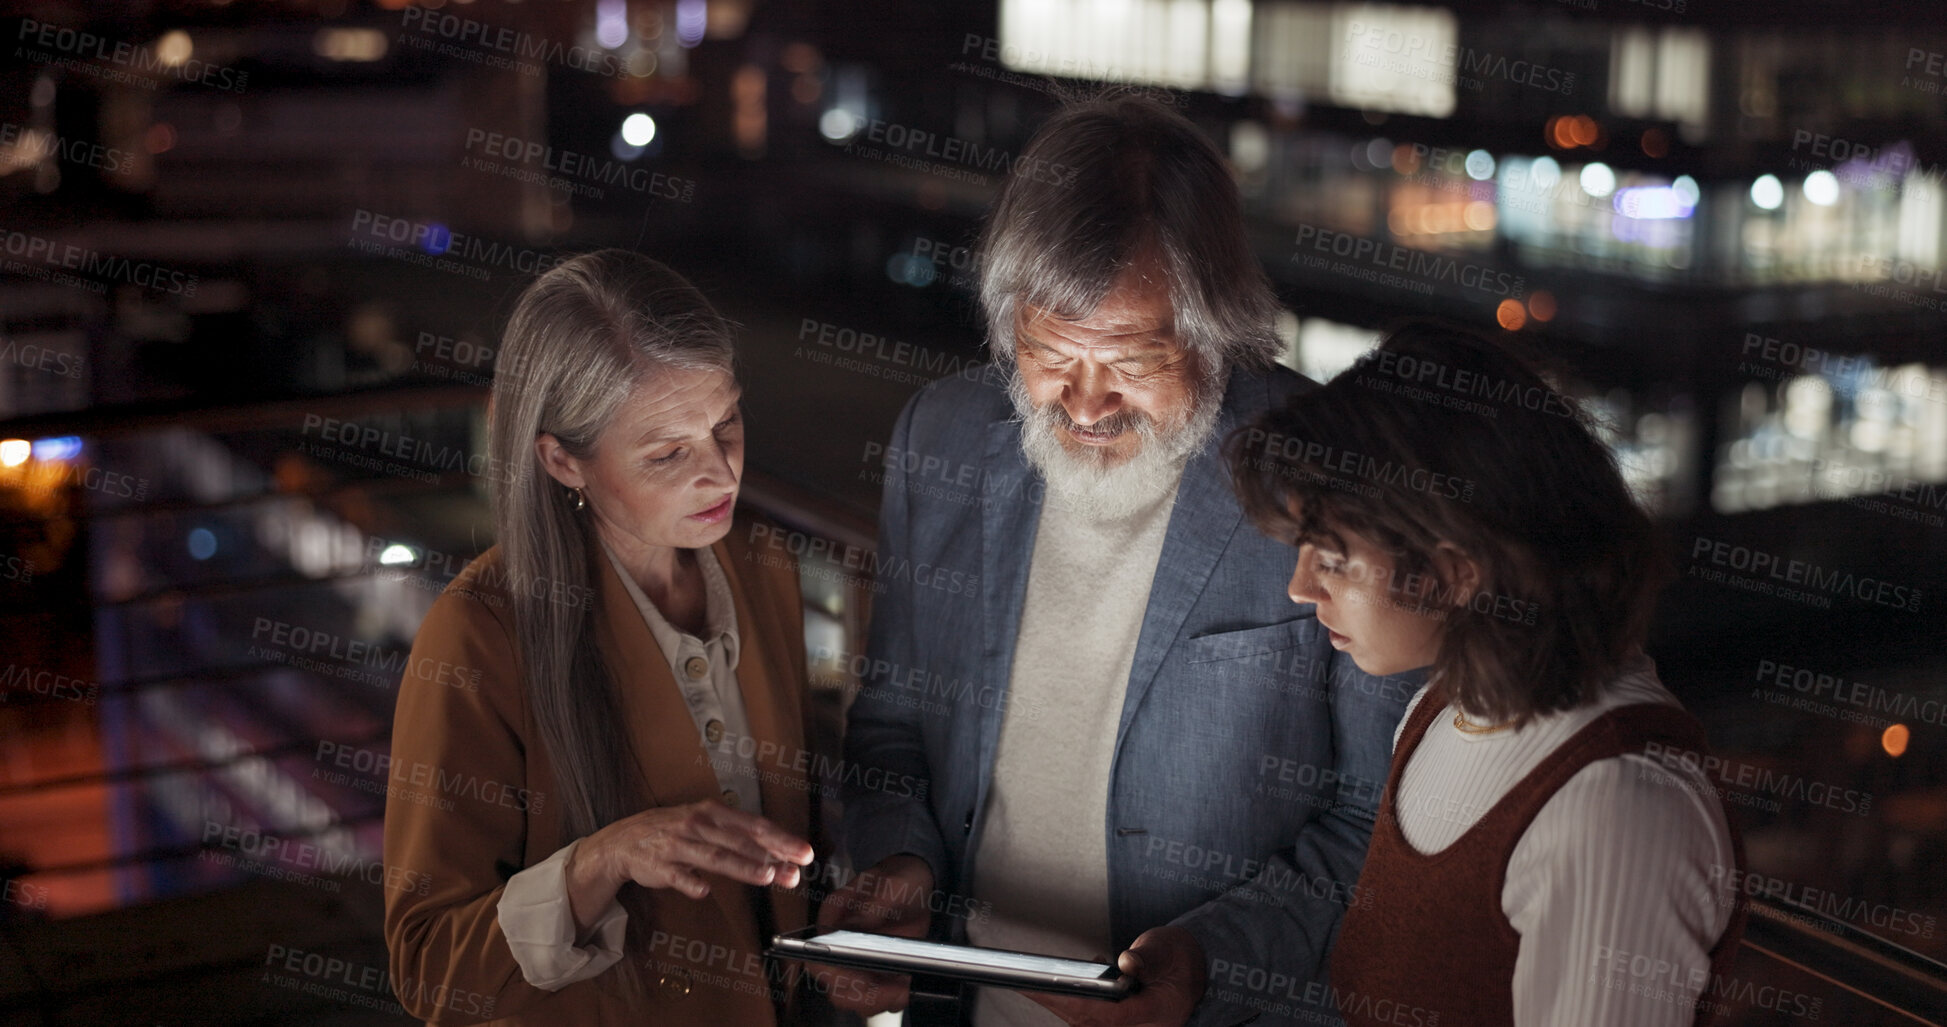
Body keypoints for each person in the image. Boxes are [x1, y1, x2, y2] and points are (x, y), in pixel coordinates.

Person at [819, 95, 1416, 1027]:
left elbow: (1373, 824)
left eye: (1132, 359)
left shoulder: (1330, 474)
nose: (1085, 401)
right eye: (1049, 352)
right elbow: (893, 718)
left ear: (1214, 327)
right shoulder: (940, 438)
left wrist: (1208, 963)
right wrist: (901, 861)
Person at [1226, 320, 1746, 1027]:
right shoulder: (1438, 708)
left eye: (1334, 561)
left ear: (1455, 573)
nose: (1299, 588)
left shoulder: (1615, 806)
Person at [382, 250, 820, 1025]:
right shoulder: (479, 632)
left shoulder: (761, 564)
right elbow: (430, 967)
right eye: (667, 453)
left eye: (726, 423)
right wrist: (600, 859)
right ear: (561, 459)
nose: (720, 474)